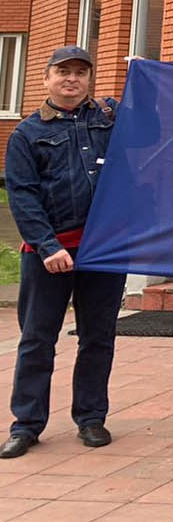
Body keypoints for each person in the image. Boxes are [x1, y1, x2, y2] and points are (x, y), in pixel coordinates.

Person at [2, 46, 124, 459]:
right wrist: (47, 245)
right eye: (63, 71)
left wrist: (144, 86)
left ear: (89, 79)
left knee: (98, 337)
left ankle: (91, 418)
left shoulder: (109, 122)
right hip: (50, 253)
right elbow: (22, 195)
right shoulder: (27, 133)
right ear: (46, 78)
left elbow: (153, 136)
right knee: (37, 339)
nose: (71, 79)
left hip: (103, 251)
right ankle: (26, 425)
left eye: (80, 72)